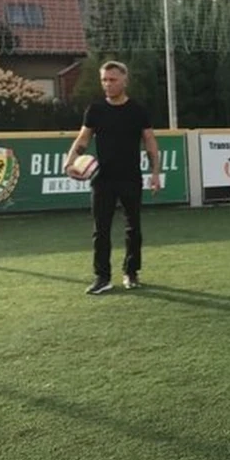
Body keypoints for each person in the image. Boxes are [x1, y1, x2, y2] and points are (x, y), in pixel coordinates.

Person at [63, 61, 161, 295]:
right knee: (101, 230)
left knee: (133, 228)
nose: (108, 84)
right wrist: (69, 163)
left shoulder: (138, 110)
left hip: (130, 178)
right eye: (104, 80)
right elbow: (82, 140)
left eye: (112, 79)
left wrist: (155, 172)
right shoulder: (95, 110)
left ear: (124, 81)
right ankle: (102, 277)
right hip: (103, 179)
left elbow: (150, 142)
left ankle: (131, 272)